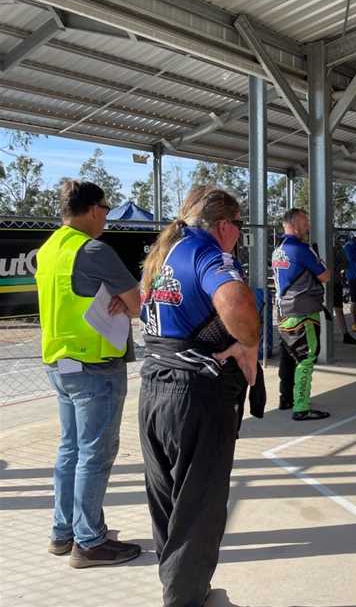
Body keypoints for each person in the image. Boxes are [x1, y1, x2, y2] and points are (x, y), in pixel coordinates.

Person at [138, 186, 260, 607]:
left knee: (170, 507)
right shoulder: (207, 250)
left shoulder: (163, 251)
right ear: (225, 225)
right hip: (193, 394)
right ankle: (185, 599)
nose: (239, 237)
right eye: (239, 228)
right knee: (200, 510)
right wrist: (248, 341)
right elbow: (237, 302)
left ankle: (181, 590)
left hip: (154, 386)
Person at [35, 180, 142, 567]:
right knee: (95, 455)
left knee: (71, 450)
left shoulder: (49, 249)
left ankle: (64, 532)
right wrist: (122, 299)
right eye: (106, 210)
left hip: (59, 363)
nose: (107, 218)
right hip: (95, 368)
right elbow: (135, 304)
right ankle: (90, 541)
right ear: (94, 210)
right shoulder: (94, 249)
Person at [272, 209, 333, 420]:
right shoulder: (301, 248)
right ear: (296, 224)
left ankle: (286, 397)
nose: (308, 226)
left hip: (283, 310)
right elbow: (325, 275)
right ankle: (301, 407)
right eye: (306, 222)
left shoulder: (279, 248)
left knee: (289, 356)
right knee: (307, 356)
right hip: (302, 311)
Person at [331, 236, 356, 345]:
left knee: (338, 309)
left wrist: (336, 267)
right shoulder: (315, 245)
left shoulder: (338, 249)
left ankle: (345, 334)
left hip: (335, 282)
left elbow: (346, 263)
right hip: (323, 283)